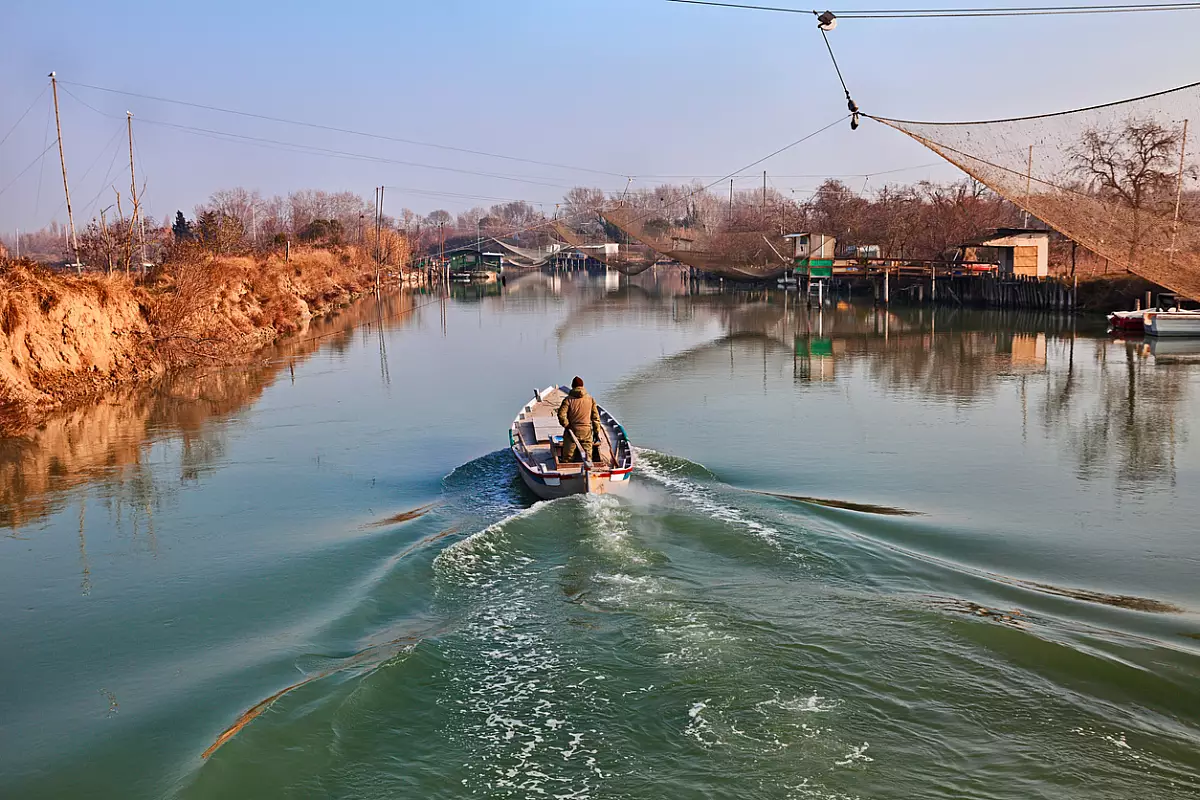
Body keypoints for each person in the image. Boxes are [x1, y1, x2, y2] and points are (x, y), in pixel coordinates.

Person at [557, 376, 601, 463]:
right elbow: (595, 418)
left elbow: (561, 415)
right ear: (583, 386)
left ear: (572, 386)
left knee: (568, 457)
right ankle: (588, 468)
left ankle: (568, 470)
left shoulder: (568, 400)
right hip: (586, 431)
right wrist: (596, 432)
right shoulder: (590, 399)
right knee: (588, 456)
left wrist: (566, 425)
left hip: (572, 431)